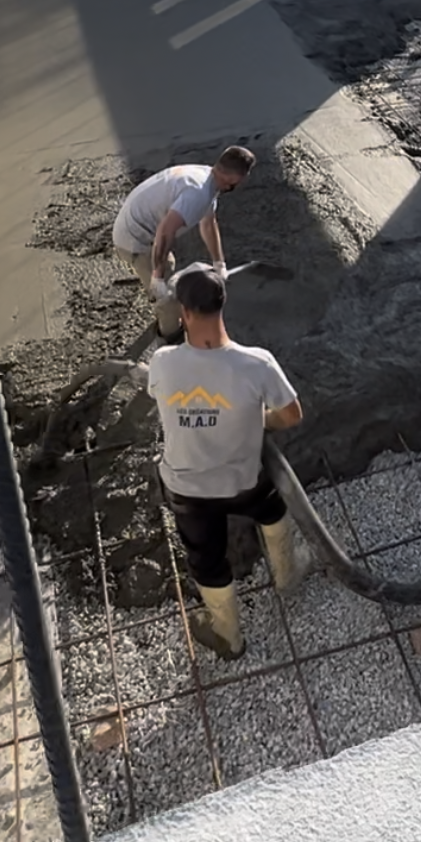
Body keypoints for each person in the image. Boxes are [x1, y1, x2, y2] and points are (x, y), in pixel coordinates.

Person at [140, 265, 306, 659]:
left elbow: (159, 395)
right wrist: (256, 420)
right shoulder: (257, 364)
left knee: (206, 557)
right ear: (222, 306)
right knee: (271, 506)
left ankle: (229, 636)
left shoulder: (163, 362)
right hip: (243, 481)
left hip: (188, 491)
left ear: (185, 313)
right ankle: (288, 576)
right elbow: (291, 415)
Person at [111, 147, 255, 337]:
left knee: (168, 264)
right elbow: (164, 231)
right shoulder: (198, 193)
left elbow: (208, 223)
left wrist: (219, 263)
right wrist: (157, 276)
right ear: (235, 178)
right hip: (134, 239)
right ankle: (171, 337)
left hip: (139, 224)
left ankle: (158, 291)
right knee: (169, 300)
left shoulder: (207, 178)